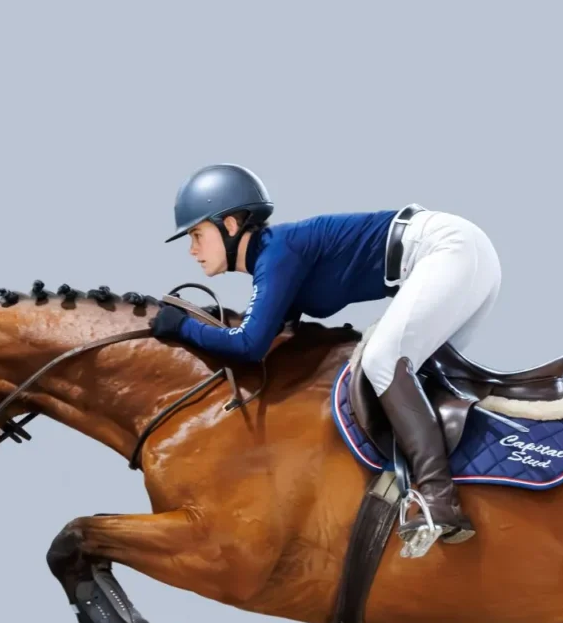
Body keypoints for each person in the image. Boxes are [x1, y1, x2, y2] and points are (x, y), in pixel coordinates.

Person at [152, 163, 502, 556]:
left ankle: (438, 499)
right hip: (467, 256)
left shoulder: (278, 252)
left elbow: (247, 344)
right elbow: (264, 339)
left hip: (447, 250)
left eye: (197, 235)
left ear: (230, 225)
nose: (192, 249)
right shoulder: (275, 261)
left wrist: (181, 327)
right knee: (419, 381)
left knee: (382, 361)